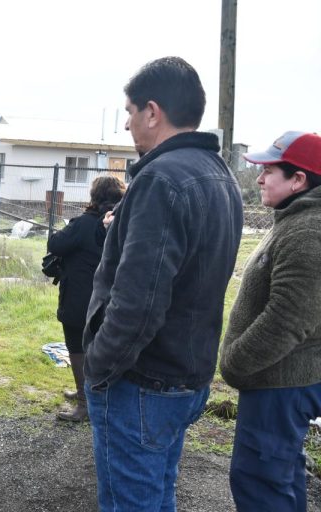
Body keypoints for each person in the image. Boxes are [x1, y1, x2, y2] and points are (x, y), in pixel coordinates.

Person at [81, 56, 243, 510]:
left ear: (153, 112)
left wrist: (99, 368)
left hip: (142, 381)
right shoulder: (219, 174)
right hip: (187, 375)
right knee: (157, 495)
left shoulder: (159, 179)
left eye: (130, 113)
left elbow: (139, 301)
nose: (129, 125)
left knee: (131, 503)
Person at [219, 131, 321, 511]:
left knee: (260, 483)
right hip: (280, 380)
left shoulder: (309, 231)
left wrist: (236, 365)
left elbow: (289, 320)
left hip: (280, 382)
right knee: (279, 475)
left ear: (299, 179)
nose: (259, 178)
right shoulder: (297, 220)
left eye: (269, 171)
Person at [47, 176, 125, 422]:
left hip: (79, 298)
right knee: (100, 349)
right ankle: (95, 395)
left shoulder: (83, 224)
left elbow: (55, 244)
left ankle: (84, 403)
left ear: (93, 197)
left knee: (77, 347)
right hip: (111, 299)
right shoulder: (123, 223)